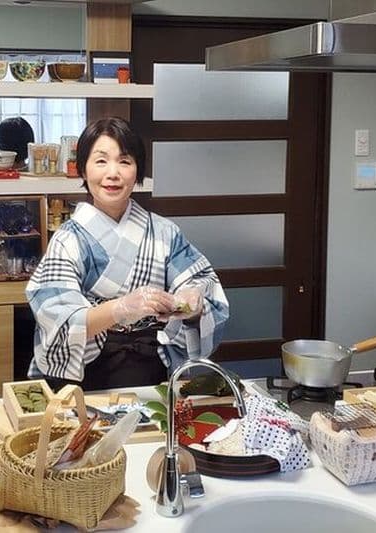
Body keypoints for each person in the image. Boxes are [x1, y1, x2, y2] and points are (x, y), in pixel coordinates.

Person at [26, 117, 229, 391]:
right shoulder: (68, 239)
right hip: (86, 372)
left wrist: (193, 304)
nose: (113, 173)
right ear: (83, 171)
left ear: (138, 171)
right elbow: (56, 317)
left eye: (125, 161)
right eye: (100, 161)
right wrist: (119, 309)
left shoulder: (163, 232)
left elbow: (202, 286)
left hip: (151, 368)